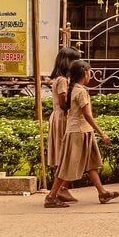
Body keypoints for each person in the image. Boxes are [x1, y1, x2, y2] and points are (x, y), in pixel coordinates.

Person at [44, 60, 119, 208]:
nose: (90, 74)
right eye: (90, 72)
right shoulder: (81, 92)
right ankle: (51, 196)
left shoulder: (73, 89)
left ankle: (102, 192)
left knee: (91, 164)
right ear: (85, 73)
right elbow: (87, 115)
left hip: (81, 131)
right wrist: (102, 133)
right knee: (66, 167)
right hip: (79, 132)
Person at [47, 46, 80, 203]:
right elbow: (63, 102)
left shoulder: (60, 79)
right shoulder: (62, 80)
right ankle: (58, 191)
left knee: (66, 156)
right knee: (65, 156)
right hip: (63, 118)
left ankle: (62, 189)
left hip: (59, 117)